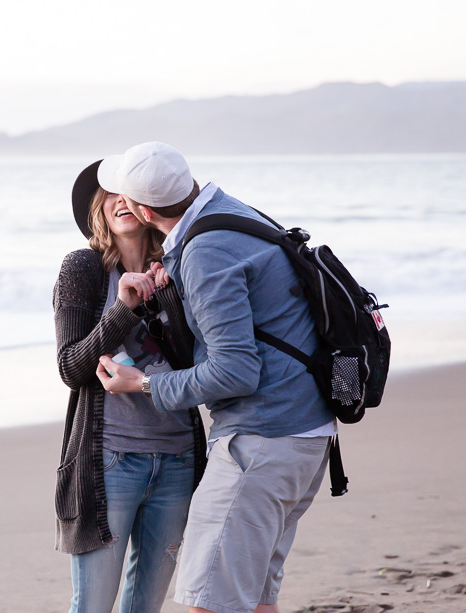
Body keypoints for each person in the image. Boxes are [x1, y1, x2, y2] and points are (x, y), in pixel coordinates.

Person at [95, 142, 337, 613]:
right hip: (306, 433)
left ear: (143, 210)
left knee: (208, 600)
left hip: (261, 440)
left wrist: (142, 384)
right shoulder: (235, 214)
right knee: (255, 597)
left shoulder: (205, 250)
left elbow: (235, 371)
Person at [53, 160, 208, 613]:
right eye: (111, 192)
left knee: (146, 607)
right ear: (98, 208)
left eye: (131, 191)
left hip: (178, 456)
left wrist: (169, 301)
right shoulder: (82, 269)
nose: (122, 199)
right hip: (111, 461)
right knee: (93, 607)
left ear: (148, 206)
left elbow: (199, 364)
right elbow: (70, 368)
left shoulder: (181, 265)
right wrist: (123, 308)